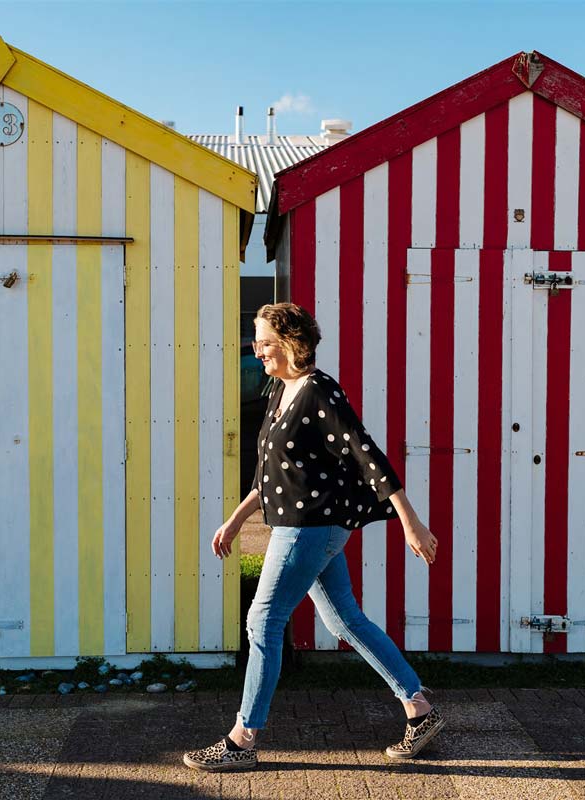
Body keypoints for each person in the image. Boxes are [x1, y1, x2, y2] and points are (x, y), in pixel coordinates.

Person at [183, 302, 444, 772]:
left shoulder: (320, 391)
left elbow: (367, 454)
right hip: (301, 527)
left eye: (263, 341)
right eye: (256, 341)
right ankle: (419, 708)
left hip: (311, 528)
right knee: (344, 621)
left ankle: (242, 741)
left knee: (263, 621)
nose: (256, 350)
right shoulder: (279, 390)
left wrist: (411, 521)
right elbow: (271, 474)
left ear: (290, 343)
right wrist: (237, 519)